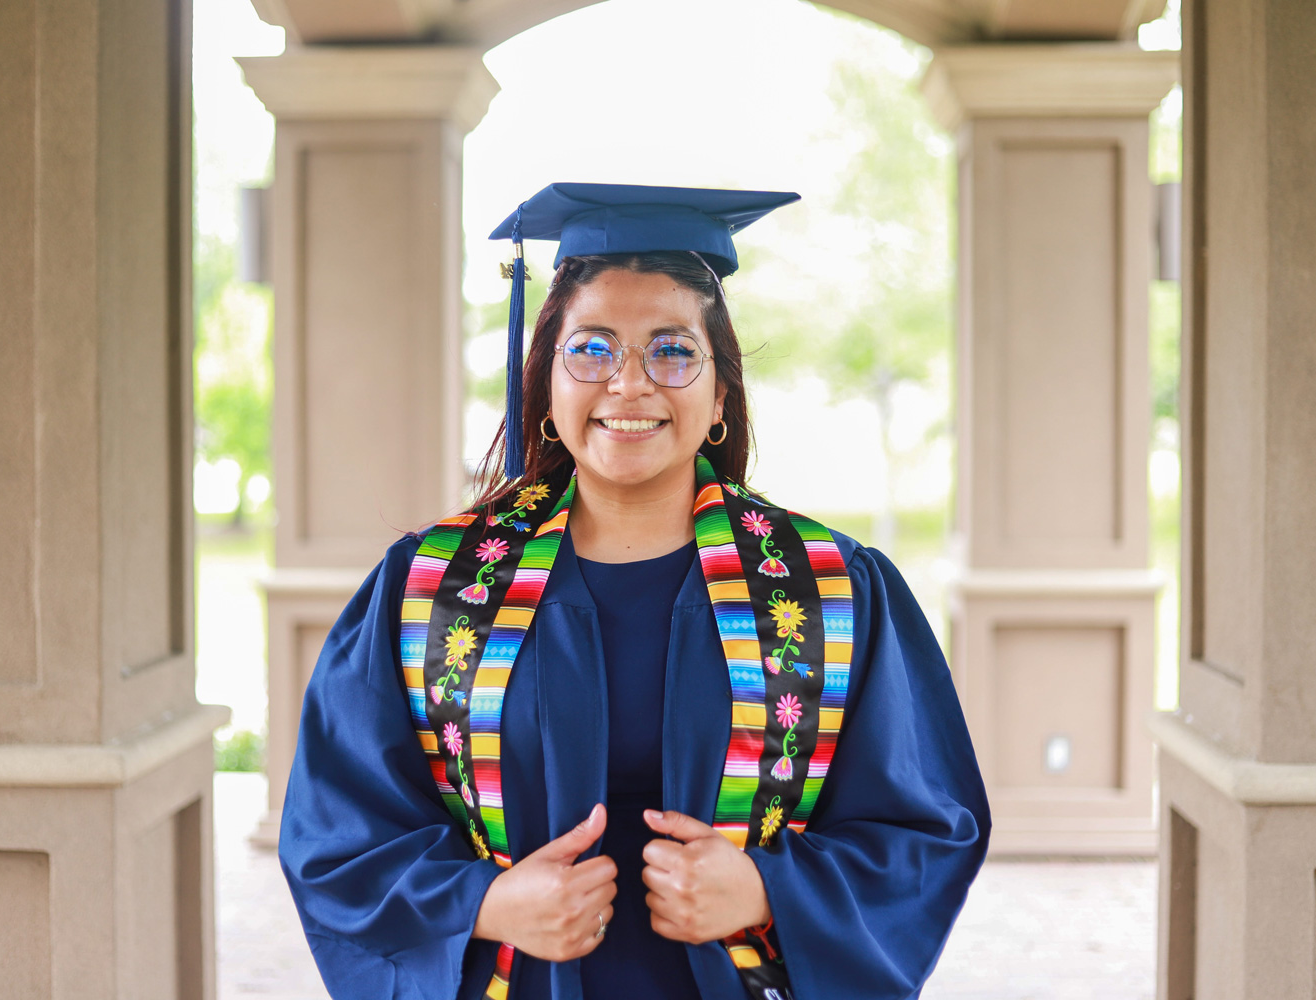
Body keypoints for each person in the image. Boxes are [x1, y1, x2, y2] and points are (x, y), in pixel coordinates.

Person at [279, 182, 991, 1000]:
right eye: (592, 348)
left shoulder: (827, 587)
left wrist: (766, 890)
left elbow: (926, 829)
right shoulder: (434, 587)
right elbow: (339, 834)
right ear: (547, 381)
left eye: (672, 350)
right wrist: (485, 902)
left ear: (719, 393)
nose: (629, 384)